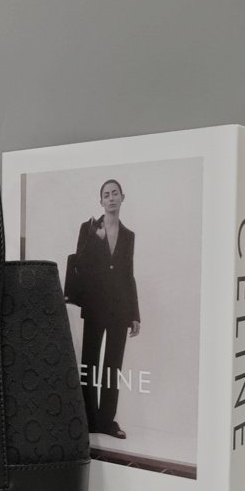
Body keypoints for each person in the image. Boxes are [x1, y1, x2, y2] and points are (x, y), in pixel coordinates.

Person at [73, 179, 140, 439]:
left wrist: (134, 314)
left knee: (113, 366)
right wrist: (96, 240)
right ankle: (88, 420)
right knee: (89, 363)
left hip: (119, 309)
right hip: (94, 306)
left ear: (123, 197)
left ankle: (106, 421)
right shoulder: (88, 228)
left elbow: (128, 275)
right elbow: (79, 263)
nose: (111, 198)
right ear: (100, 201)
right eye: (106, 195)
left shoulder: (129, 236)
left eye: (115, 194)